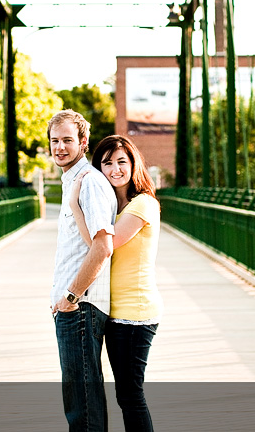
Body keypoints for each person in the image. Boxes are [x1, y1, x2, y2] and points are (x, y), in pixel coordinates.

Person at [70, 135, 162, 432]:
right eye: (106, 163)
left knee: (131, 395)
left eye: (122, 161)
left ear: (133, 164)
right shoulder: (114, 209)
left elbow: (104, 245)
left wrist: (75, 205)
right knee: (126, 394)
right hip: (116, 313)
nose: (115, 169)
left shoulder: (143, 204)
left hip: (135, 314)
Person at [48, 109, 117, 432]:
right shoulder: (74, 183)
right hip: (72, 307)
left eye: (67, 140)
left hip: (81, 307)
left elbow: (103, 246)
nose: (60, 147)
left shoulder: (89, 183)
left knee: (83, 407)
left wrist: (71, 296)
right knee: (79, 400)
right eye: (55, 141)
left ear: (83, 142)